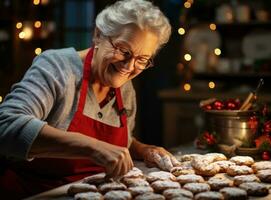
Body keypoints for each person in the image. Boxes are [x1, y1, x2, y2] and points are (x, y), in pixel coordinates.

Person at [0, 0, 180, 198]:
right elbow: (6, 125)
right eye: (123, 50)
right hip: (37, 192)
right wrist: (92, 147)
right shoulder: (57, 67)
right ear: (98, 35)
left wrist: (143, 149)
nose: (129, 67)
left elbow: (120, 146)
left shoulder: (126, 90)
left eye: (142, 59)